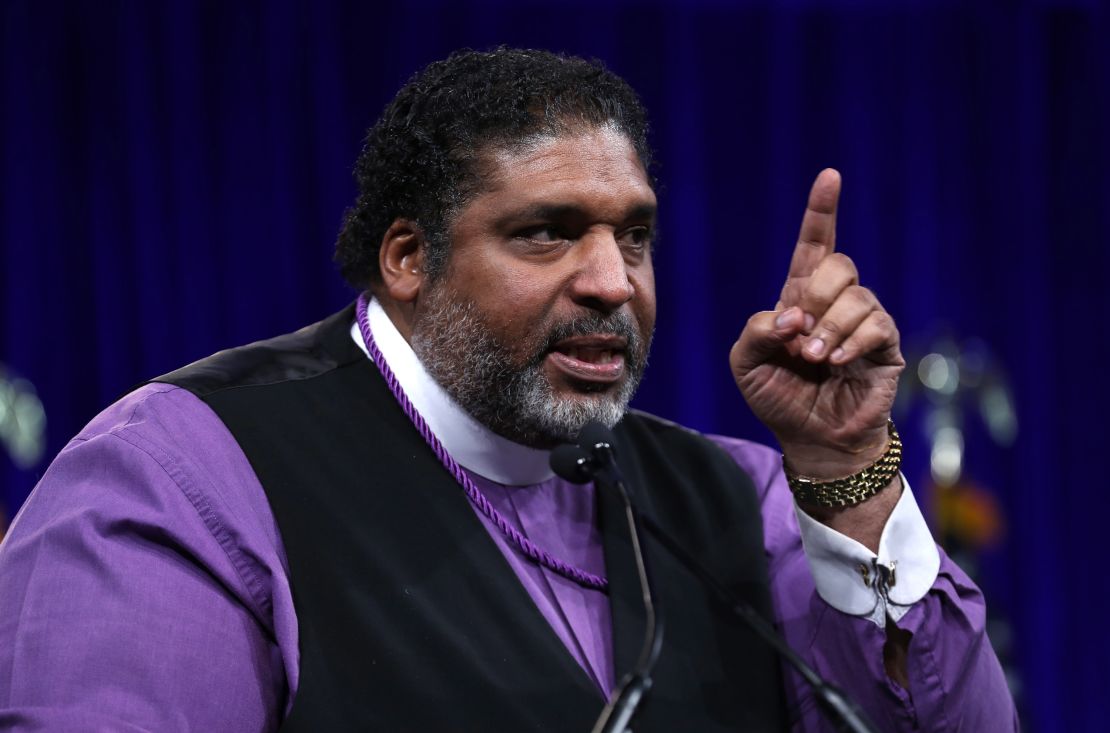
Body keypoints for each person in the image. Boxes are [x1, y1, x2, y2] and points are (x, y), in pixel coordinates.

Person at [0, 48, 1015, 731]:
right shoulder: (182, 477)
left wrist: (847, 470)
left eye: (635, 236)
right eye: (548, 231)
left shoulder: (737, 499)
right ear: (407, 256)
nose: (614, 282)